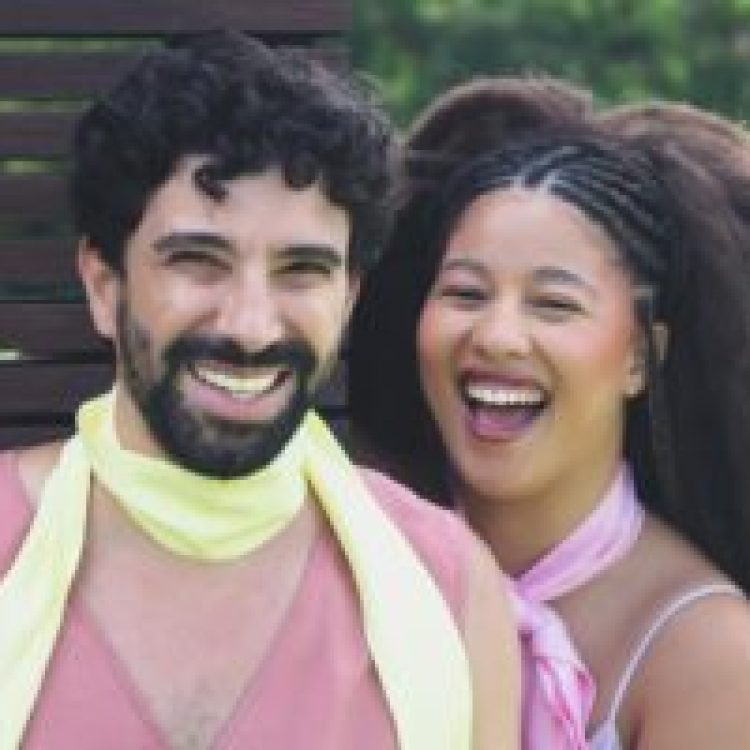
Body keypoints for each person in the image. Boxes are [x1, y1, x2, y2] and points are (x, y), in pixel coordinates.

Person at [0, 34, 520, 749]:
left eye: (301, 270)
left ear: (348, 297)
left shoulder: (451, 586)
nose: (251, 326)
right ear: (103, 285)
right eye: (198, 260)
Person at [349, 77, 750, 749]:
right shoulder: (358, 555)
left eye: (554, 304)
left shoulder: (711, 656)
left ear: (640, 358)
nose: (498, 336)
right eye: (467, 293)